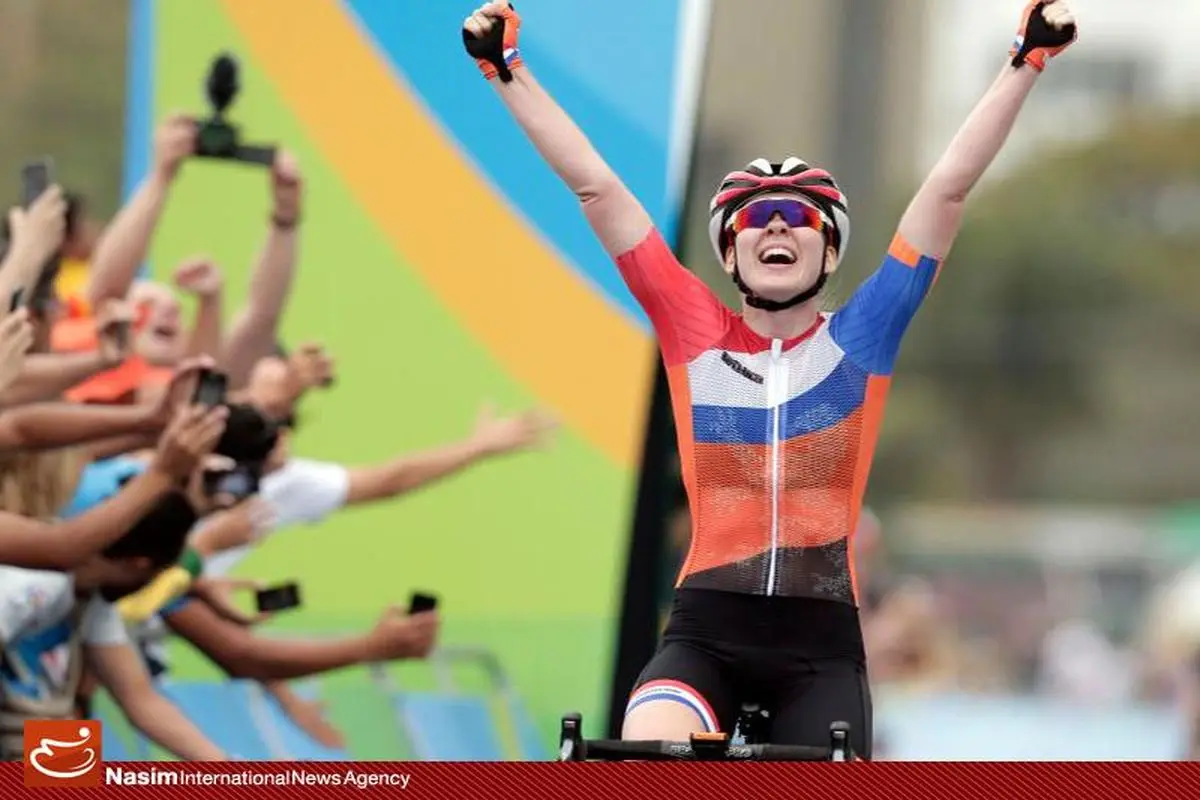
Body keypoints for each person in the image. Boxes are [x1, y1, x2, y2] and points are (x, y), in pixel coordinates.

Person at [461, 0, 1078, 756]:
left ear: (829, 252)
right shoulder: (692, 328)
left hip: (820, 652)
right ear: (730, 253)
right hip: (705, 637)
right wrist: (506, 70)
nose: (778, 225)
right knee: (646, 751)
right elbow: (596, 189)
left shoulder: (864, 336)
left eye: (798, 216)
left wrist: (1025, 63)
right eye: (756, 219)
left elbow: (946, 191)